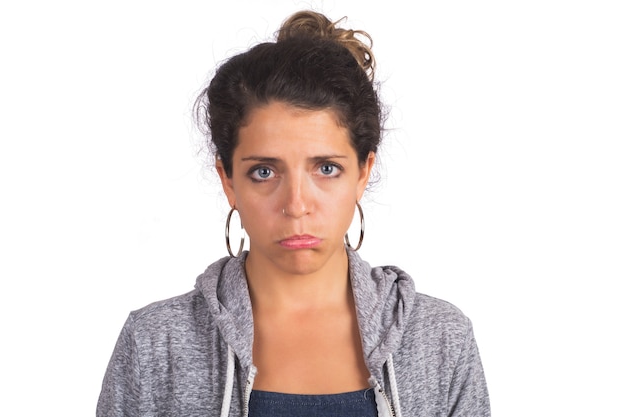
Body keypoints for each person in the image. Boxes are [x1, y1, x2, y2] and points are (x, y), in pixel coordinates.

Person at [97, 10, 491, 417]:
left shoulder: (440, 340)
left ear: (363, 174)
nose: (297, 204)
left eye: (326, 169)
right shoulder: (154, 345)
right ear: (228, 180)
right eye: (264, 172)